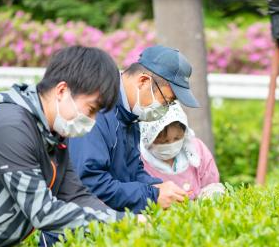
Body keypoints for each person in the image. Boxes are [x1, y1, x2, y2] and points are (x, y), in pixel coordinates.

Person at [0, 46, 140, 247]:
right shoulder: (12, 127)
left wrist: (126, 220)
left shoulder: (53, 134)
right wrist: (119, 223)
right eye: (91, 109)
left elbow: (75, 195)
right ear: (61, 91)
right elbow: (43, 211)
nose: (92, 120)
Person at [68, 45, 200, 214]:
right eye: (166, 100)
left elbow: (132, 171)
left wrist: (158, 186)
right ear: (143, 81)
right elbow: (89, 181)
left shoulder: (130, 113)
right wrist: (152, 195)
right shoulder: (96, 107)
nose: (165, 108)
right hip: (74, 230)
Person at [140, 101, 224, 200]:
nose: (171, 145)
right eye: (164, 141)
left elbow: (211, 184)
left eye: (177, 138)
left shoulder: (196, 151)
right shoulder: (139, 160)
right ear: (149, 139)